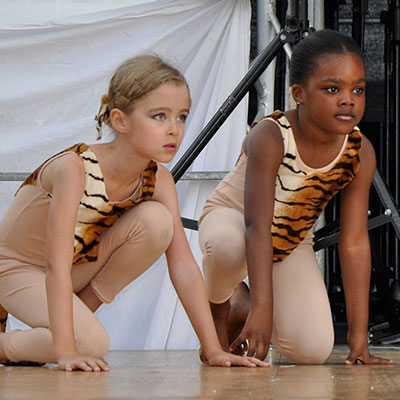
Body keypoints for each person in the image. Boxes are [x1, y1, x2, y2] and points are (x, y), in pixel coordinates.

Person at [0, 54, 269, 371]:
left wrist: (213, 349)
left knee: (157, 222)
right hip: (16, 269)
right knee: (92, 344)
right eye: (159, 116)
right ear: (120, 120)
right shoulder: (74, 168)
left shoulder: (159, 180)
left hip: (72, 270)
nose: (174, 130)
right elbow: (54, 264)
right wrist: (67, 352)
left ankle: (67, 328)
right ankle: (13, 346)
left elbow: (183, 265)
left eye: (181, 117)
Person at [198, 29, 394, 365]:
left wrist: (358, 337)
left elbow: (354, 242)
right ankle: (220, 307)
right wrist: (264, 309)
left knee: (312, 350)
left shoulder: (359, 152)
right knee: (229, 248)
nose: (348, 100)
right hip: (235, 218)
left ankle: (243, 306)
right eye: (332, 89)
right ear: (298, 93)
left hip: (290, 239)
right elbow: (256, 226)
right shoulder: (272, 135)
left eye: (357, 89)